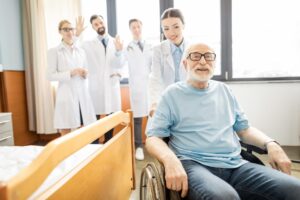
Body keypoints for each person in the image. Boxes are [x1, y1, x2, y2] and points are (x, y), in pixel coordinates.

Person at [146, 43, 300, 199]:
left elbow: (244, 130)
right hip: (194, 164)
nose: (203, 61)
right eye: (195, 56)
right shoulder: (172, 94)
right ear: (185, 63)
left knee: (295, 189)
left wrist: (271, 144)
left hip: (235, 164)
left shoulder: (224, 90)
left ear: (214, 63)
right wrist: (169, 160)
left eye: (208, 56)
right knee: (226, 197)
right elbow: (153, 138)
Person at [78, 15, 125, 143]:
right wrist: (77, 35)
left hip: (111, 84)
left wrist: (119, 51)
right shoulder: (87, 44)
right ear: (93, 27)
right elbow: (75, 51)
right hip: (96, 86)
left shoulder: (116, 41)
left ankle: (108, 142)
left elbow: (119, 64)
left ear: (104, 22)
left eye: (100, 22)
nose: (99, 25)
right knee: (94, 117)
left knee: (111, 116)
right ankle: (94, 144)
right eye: (95, 24)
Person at [47, 20, 96, 136]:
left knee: (83, 129)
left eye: (71, 29)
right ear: (60, 32)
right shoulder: (54, 51)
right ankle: (66, 154)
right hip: (66, 95)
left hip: (82, 95)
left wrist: (85, 73)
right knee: (66, 129)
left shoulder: (81, 51)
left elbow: (86, 70)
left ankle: (80, 154)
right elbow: (50, 75)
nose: (69, 32)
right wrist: (71, 73)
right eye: (65, 29)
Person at [148, 8, 188, 117]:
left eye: (176, 27)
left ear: (183, 25)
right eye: (166, 29)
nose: (171, 33)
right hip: (166, 100)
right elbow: (155, 78)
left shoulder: (193, 48)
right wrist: (155, 103)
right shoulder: (158, 49)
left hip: (189, 99)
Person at [125, 18, 152, 160]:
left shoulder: (150, 46)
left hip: (149, 86)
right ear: (130, 30)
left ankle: (153, 144)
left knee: (152, 117)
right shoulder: (127, 47)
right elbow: (118, 62)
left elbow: (154, 66)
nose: (136, 29)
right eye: (133, 27)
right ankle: (139, 147)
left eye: (138, 26)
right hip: (136, 87)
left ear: (142, 27)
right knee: (137, 119)